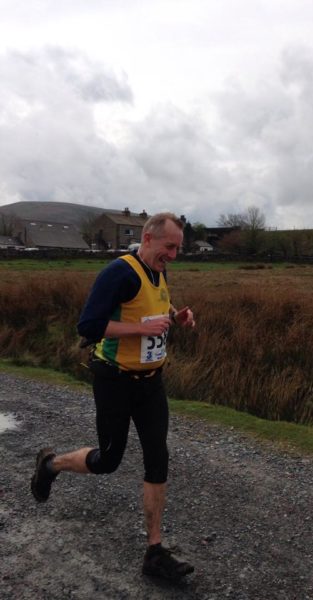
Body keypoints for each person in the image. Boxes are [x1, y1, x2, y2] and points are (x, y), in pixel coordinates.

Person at [31, 212, 195, 582]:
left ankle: (154, 552)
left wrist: (175, 316)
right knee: (108, 460)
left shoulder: (159, 270)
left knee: (158, 456)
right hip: (114, 381)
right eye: (169, 247)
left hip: (151, 381)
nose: (174, 255)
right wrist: (140, 329)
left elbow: (154, 307)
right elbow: (88, 326)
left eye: (178, 249)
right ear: (148, 239)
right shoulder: (118, 271)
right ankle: (51, 465)